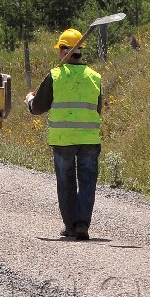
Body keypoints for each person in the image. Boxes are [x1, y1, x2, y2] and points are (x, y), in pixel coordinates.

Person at [24, 28, 102, 240]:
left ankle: (70, 226)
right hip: (89, 140)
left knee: (66, 181)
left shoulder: (55, 76)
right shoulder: (95, 78)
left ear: (62, 52)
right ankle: (82, 224)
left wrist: (30, 100)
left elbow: (38, 108)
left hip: (62, 140)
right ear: (80, 52)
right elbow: (98, 109)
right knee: (87, 182)